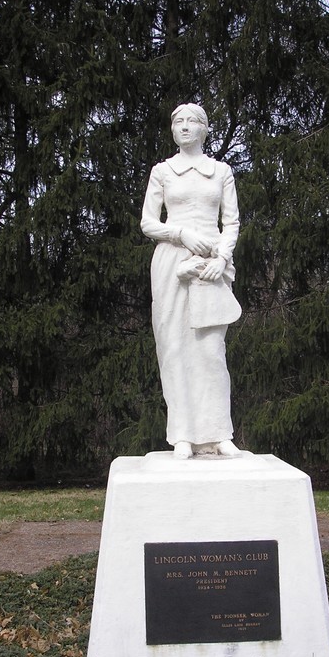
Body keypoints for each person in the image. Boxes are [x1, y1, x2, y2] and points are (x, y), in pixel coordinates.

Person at [141, 103, 242, 459]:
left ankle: (218, 433)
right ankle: (181, 433)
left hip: (213, 263)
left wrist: (222, 258)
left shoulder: (221, 172)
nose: (184, 127)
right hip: (172, 260)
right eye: (177, 122)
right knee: (174, 348)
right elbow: (148, 223)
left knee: (211, 352)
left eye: (191, 121)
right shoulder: (163, 172)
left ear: (204, 129)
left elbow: (231, 223)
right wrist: (181, 234)